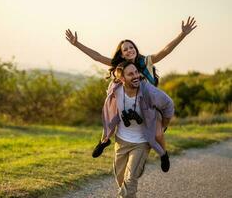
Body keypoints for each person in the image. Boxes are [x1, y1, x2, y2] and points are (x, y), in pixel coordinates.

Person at [65, 17, 197, 172]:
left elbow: (166, 50)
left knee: (158, 134)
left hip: (147, 104)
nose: (129, 50)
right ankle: (104, 141)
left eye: (131, 47)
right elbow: (97, 56)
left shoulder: (146, 61)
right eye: (125, 49)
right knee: (110, 118)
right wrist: (76, 44)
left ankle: (164, 154)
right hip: (125, 102)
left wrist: (182, 34)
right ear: (122, 54)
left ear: (135, 49)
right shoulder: (119, 66)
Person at [102, 61, 174, 197]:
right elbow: (109, 110)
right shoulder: (115, 90)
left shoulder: (148, 91)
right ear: (122, 78)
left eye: (136, 72)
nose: (135, 76)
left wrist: (164, 124)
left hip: (141, 142)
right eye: (130, 74)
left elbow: (168, 104)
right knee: (121, 180)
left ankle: (149, 162)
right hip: (121, 141)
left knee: (130, 182)